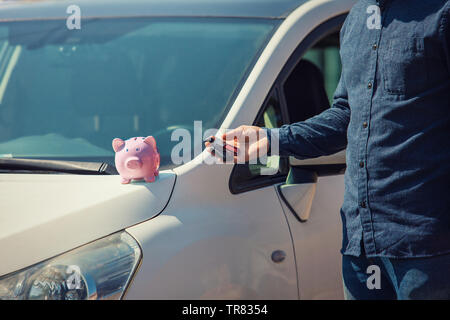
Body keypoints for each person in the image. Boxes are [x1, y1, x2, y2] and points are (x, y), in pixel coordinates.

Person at [206, 0, 450, 300]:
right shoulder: (357, 19)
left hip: (430, 246)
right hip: (360, 242)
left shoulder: (441, 12)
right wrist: (271, 139)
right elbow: (346, 115)